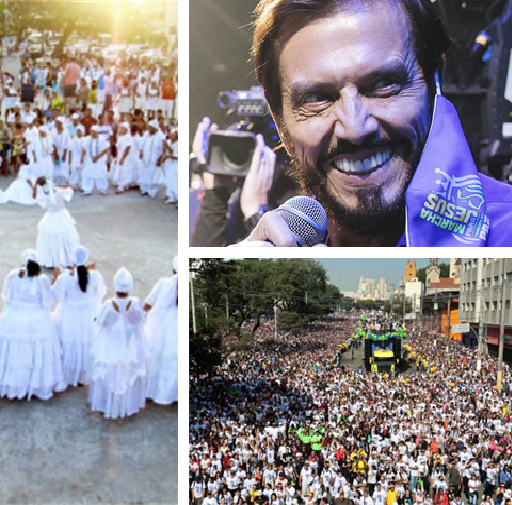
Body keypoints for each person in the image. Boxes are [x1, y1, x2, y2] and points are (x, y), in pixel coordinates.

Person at [223, 0, 512, 247]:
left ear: (435, 84)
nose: (355, 129)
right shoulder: (281, 242)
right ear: (280, 122)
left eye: (384, 84)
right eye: (316, 98)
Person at [0, 249, 65, 401]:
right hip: (37, 319)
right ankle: (36, 386)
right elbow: (47, 303)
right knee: (37, 356)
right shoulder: (42, 279)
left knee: (16, 355)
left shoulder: (12, 275)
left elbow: (7, 298)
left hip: (14, 317)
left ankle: (14, 386)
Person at [89, 267, 148, 419]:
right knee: (127, 375)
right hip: (129, 349)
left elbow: (99, 322)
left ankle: (107, 403)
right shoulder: (135, 303)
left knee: (108, 375)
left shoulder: (108, 305)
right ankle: (125, 405)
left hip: (110, 348)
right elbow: (141, 320)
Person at [51, 246, 107, 387]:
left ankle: (69, 373)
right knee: (86, 342)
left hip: (69, 314)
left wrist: (55, 277)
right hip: (89, 313)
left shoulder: (65, 278)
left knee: (70, 342)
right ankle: (84, 375)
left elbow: (57, 296)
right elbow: (99, 295)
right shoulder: (95, 276)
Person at [143, 256, 178, 405]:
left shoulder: (164, 283)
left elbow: (148, 303)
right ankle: (173, 395)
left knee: (155, 357)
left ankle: (150, 392)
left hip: (160, 324)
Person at [34, 177, 80, 269]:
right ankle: (66, 258)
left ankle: (52, 260)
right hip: (62, 216)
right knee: (65, 237)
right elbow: (68, 190)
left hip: (50, 217)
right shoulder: (59, 192)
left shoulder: (43, 196)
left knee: (51, 238)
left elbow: (37, 199)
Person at [81, 127, 110, 196]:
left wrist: (97, 157)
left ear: (97, 132)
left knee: (101, 174)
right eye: (91, 131)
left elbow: (105, 150)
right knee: (88, 174)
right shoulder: (87, 139)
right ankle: (87, 189)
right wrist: (82, 157)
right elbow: (84, 148)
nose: (92, 133)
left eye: (93, 132)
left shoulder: (102, 139)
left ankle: (103, 189)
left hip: (99, 160)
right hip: (89, 159)